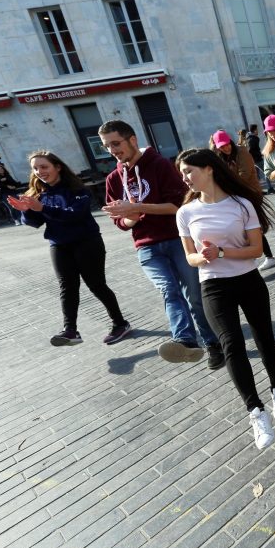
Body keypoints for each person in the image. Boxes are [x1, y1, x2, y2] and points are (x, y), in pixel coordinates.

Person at [175, 149, 275, 449]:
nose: (185, 178)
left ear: (209, 169)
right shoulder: (185, 212)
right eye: (182, 173)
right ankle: (255, 410)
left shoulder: (241, 205)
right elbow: (189, 257)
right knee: (231, 345)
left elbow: (255, 250)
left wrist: (222, 252)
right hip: (213, 284)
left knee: (265, 338)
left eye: (189, 171)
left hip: (248, 280)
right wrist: (201, 257)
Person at [100, 120, 220, 365]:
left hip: (176, 240)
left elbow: (177, 206)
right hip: (146, 246)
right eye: (106, 146)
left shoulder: (160, 166)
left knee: (194, 296)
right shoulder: (113, 179)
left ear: (132, 140)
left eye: (116, 143)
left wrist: (135, 207)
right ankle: (185, 341)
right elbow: (120, 222)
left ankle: (213, 344)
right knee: (169, 290)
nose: (112, 149)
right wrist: (130, 220)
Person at [10, 150, 131, 346]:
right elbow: (35, 222)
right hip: (59, 245)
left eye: (44, 167)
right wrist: (27, 212)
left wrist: (41, 208)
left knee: (96, 285)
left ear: (57, 167)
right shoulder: (39, 194)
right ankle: (70, 331)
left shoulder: (77, 189)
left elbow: (74, 214)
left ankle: (120, 323)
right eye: (35, 168)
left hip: (87, 242)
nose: (40, 171)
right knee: (67, 287)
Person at [211, 130, 275, 271]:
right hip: (235, 196)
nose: (226, 148)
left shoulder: (241, 152)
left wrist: (226, 185)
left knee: (253, 227)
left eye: (227, 144)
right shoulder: (220, 157)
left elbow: (244, 175)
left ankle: (269, 257)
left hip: (251, 194)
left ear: (230, 141)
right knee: (244, 228)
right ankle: (252, 256)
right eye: (221, 146)